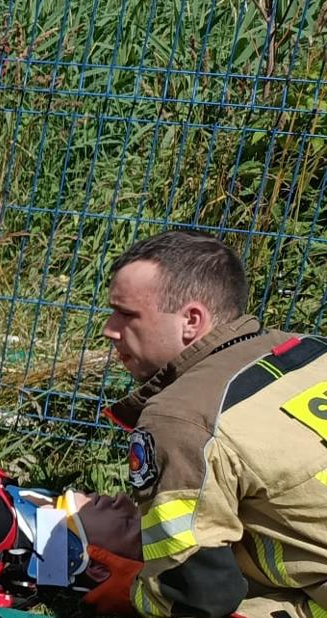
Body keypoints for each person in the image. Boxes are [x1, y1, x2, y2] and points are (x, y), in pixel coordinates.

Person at [100, 231, 327, 618]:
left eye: (127, 314)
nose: (109, 328)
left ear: (191, 320)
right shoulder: (307, 349)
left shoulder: (181, 417)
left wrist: (134, 591)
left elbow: (198, 593)